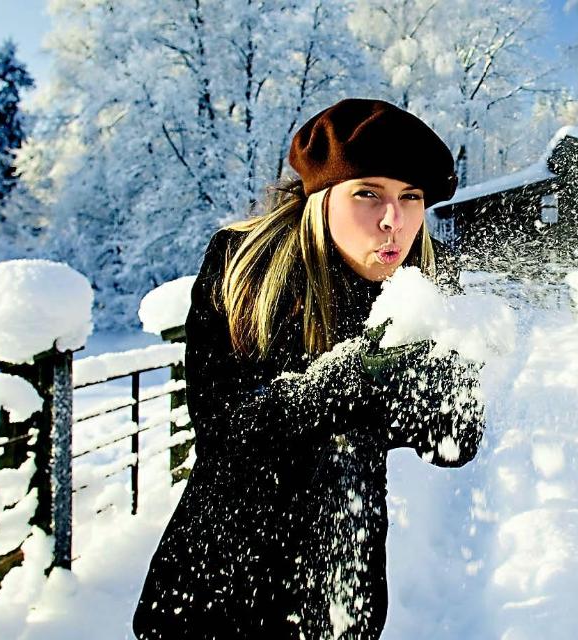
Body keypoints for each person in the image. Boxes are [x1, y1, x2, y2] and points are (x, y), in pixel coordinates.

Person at [132, 98, 485, 639]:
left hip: (342, 591)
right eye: (368, 193)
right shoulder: (242, 267)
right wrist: (346, 382)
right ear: (321, 198)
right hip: (216, 587)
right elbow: (225, 432)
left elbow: (450, 446)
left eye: (411, 198)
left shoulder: (417, 293)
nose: (393, 219)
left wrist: (451, 395)